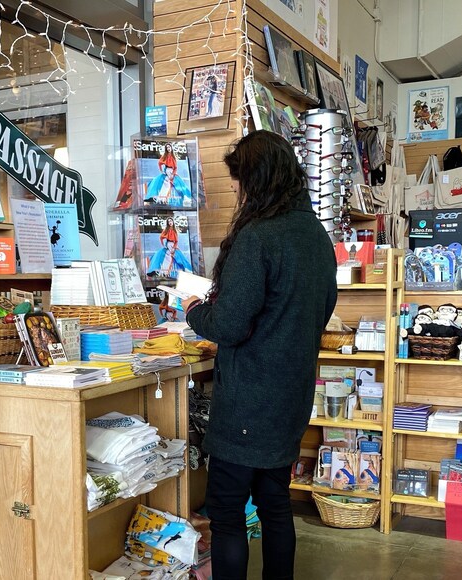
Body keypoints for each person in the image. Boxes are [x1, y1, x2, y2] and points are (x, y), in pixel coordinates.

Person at [181, 131, 337, 580]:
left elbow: (228, 325)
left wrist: (195, 310)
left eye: (237, 183)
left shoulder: (258, 237)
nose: (235, 191)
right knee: (275, 506)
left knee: (228, 512)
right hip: (291, 395)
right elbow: (321, 308)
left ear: (256, 179)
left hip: (250, 401)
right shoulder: (314, 233)